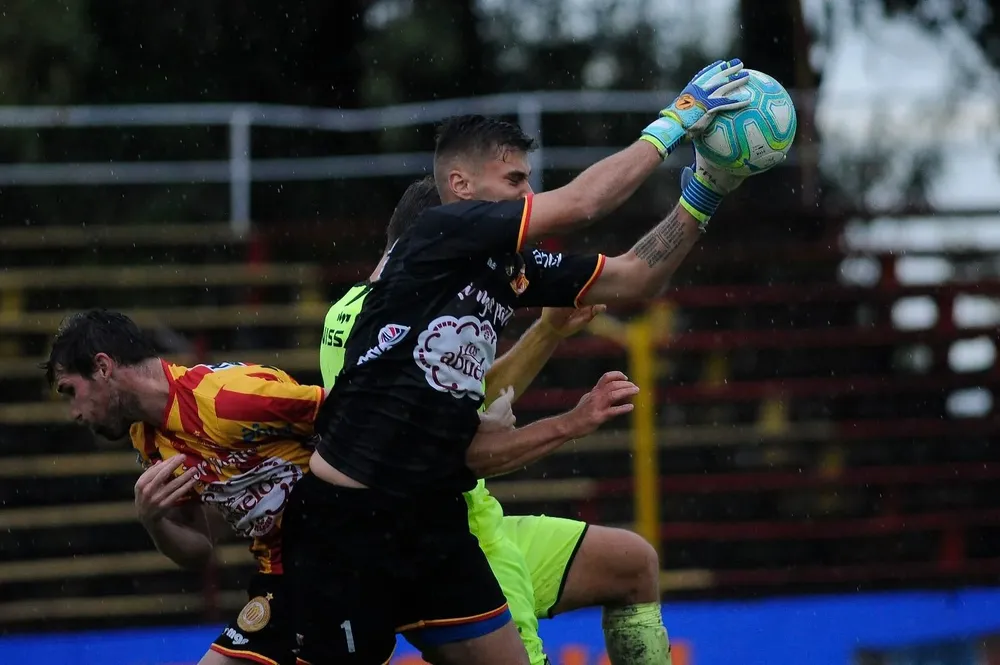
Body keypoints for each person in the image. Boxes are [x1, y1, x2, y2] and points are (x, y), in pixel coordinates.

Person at [285, 58, 756, 665]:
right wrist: (677, 120)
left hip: (434, 524)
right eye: (515, 181)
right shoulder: (438, 234)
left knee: (626, 568)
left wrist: (707, 191)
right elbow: (585, 204)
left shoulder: (510, 270)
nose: (529, 195)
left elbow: (638, 278)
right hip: (347, 528)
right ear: (461, 188)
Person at [44, 309, 635, 665]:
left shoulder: (229, 399)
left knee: (630, 566)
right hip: (292, 578)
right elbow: (200, 550)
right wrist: (154, 521)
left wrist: (481, 427)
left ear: (103, 367)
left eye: (70, 391)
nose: (73, 412)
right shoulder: (148, 440)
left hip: (376, 549)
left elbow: (362, 416)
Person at [321, 177, 662, 665]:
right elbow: (444, 453)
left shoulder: (395, 307)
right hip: (447, 540)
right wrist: (570, 422)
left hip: (480, 520)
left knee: (630, 564)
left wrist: (547, 332)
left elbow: (468, 395)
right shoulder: (376, 316)